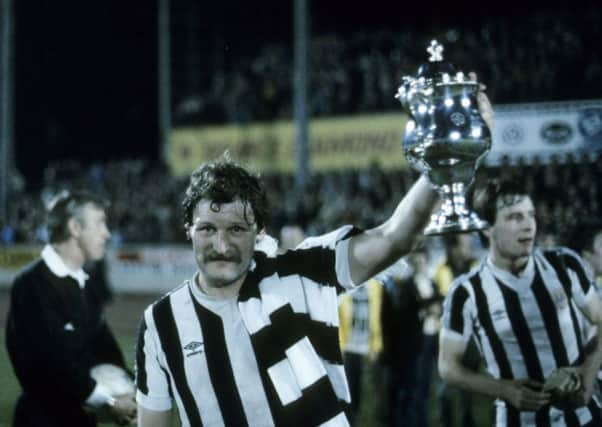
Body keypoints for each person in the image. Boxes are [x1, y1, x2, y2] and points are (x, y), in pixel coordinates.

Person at [134, 153, 439, 426]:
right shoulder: (160, 322)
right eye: (207, 229)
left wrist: (443, 163)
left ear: (260, 231)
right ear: (189, 229)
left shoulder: (303, 272)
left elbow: (394, 238)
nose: (221, 246)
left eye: (236, 229)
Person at [438, 177, 602, 426]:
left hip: (584, 417)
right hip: (518, 421)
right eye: (515, 217)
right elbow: (448, 366)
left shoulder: (564, 264)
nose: (529, 226)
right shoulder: (466, 292)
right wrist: (504, 389)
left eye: (531, 215)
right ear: (487, 227)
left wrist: (587, 374)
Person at [5, 190, 137, 426]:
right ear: (75, 228)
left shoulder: (85, 284)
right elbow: (53, 366)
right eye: (99, 224)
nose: (107, 234)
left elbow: (104, 347)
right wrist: (109, 402)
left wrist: (131, 389)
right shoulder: (31, 286)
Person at [433, 234, 480, 427]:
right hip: (447, 337)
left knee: (466, 388)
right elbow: (438, 300)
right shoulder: (441, 269)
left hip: (470, 338)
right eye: (465, 244)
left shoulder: (476, 267)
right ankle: (446, 422)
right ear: (453, 248)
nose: (469, 247)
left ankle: (466, 421)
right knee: (445, 387)